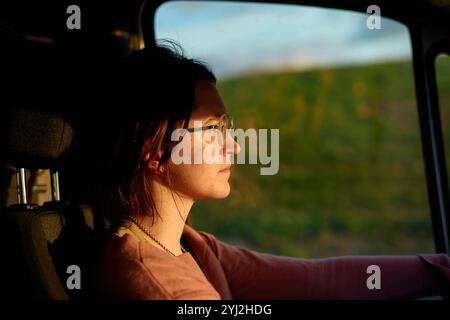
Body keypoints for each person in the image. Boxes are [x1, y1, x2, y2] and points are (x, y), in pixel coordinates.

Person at [91, 41, 450, 300]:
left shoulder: (188, 245)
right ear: (153, 152)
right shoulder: (159, 284)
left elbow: (317, 280)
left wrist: (440, 269)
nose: (233, 146)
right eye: (214, 129)